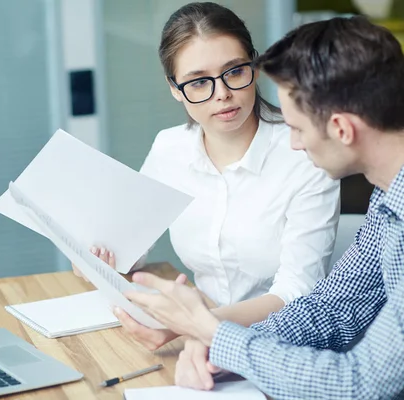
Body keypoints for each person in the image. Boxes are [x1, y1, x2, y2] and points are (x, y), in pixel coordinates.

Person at [125, 16, 404, 399]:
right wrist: (214, 336)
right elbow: (337, 306)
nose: (291, 144)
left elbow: (361, 384)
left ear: (341, 129)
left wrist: (218, 336)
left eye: (297, 128)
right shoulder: (388, 198)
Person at [74, 2, 340, 351]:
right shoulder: (170, 149)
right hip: (197, 337)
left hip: (282, 345)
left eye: (234, 72)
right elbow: (132, 250)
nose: (222, 94)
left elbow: (297, 292)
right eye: (199, 82)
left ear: (254, 67)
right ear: (174, 87)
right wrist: (100, 257)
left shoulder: (304, 154)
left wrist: (195, 325)